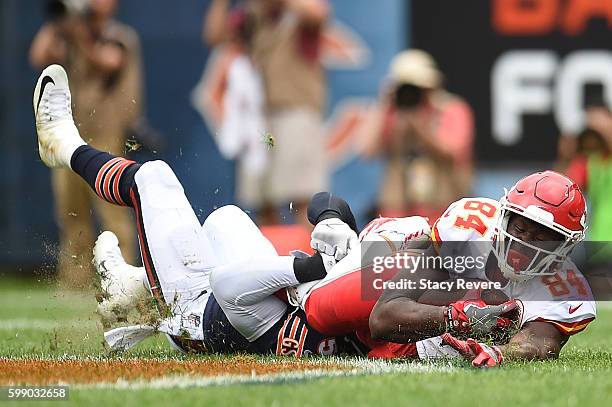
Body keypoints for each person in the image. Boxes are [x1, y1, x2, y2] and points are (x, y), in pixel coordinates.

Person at [33, 64, 361, 356]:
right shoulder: (376, 284)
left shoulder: (331, 336)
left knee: (152, 177)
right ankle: (133, 287)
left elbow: (228, 284)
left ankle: (64, 145)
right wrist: (333, 220)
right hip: (241, 295)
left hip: (198, 314)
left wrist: (314, 268)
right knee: (226, 218)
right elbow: (327, 201)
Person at [297, 171, 596, 366]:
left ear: (565, 248)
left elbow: (541, 343)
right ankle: (334, 227)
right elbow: (384, 316)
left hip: (419, 338)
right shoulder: (467, 233)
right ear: (503, 219)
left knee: (353, 349)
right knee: (316, 312)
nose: (524, 244)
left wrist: (501, 352)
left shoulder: (566, 290)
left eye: (541, 239)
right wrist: (457, 318)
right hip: (397, 254)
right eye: (519, 229)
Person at [29, 0, 142, 287]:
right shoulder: (71, 35)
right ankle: (74, 282)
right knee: (71, 214)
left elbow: (107, 61)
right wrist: (58, 23)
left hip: (107, 135)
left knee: (113, 214)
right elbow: (38, 56)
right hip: (70, 134)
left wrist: (78, 35)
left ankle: (122, 280)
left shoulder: (120, 36)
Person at [204, 0, 331, 227]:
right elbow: (214, 37)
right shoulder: (251, 17)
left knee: (304, 199)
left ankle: (316, 258)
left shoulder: (299, 11)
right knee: (263, 200)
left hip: (296, 113)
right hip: (258, 120)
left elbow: (318, 14)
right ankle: (272, 260)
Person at [360, 49, 474, 220]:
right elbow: (367, 150)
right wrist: (384, 105)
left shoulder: (451, 109)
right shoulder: (390, 112)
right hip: (397, 209)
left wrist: (422, 129)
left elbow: (453, 152)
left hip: (442, 207)